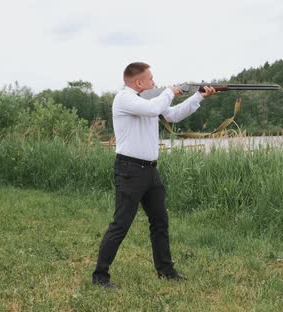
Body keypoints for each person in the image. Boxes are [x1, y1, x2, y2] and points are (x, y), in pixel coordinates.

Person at [92, 62, 217, 288]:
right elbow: (153, 109)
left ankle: (166, 271)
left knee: (160, 221)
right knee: (120, 224)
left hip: (150, 171)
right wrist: (171, 91)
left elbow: (174, 116)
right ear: (138, 82)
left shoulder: (149, 100)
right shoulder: (124, 99)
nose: (154, 82)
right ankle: (100, 276)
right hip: (129, 170)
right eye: (150, 79)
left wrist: (198, 96)